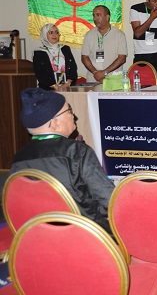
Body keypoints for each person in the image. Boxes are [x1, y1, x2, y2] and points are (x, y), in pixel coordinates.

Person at [11, 88, 115, 233]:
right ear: (55, 123)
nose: (74, 115)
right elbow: (109, 199)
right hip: (85, 234)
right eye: (69, 110)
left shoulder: (18, 158)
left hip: (36, 235)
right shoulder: (77, 152)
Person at [81, 5, 127, 83]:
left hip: (113, 79)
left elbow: (122, 58)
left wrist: (104, 72)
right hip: (93, 79)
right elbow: (84, 57)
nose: (95, 18)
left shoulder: (119, 35)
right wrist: (95, 72)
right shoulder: (89, 35)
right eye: (94, 15)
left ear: (107, 17)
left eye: (98, 15)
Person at [33, 23, 77, 91]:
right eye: (50, 32)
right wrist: (54, 86)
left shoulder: (65, 49)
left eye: (56, 32)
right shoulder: (39, 52)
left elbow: (73, 68)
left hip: (67, 88)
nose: (54, 35)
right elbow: (40, 73)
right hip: (48, 89)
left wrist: (66, 84)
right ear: (44, 35)